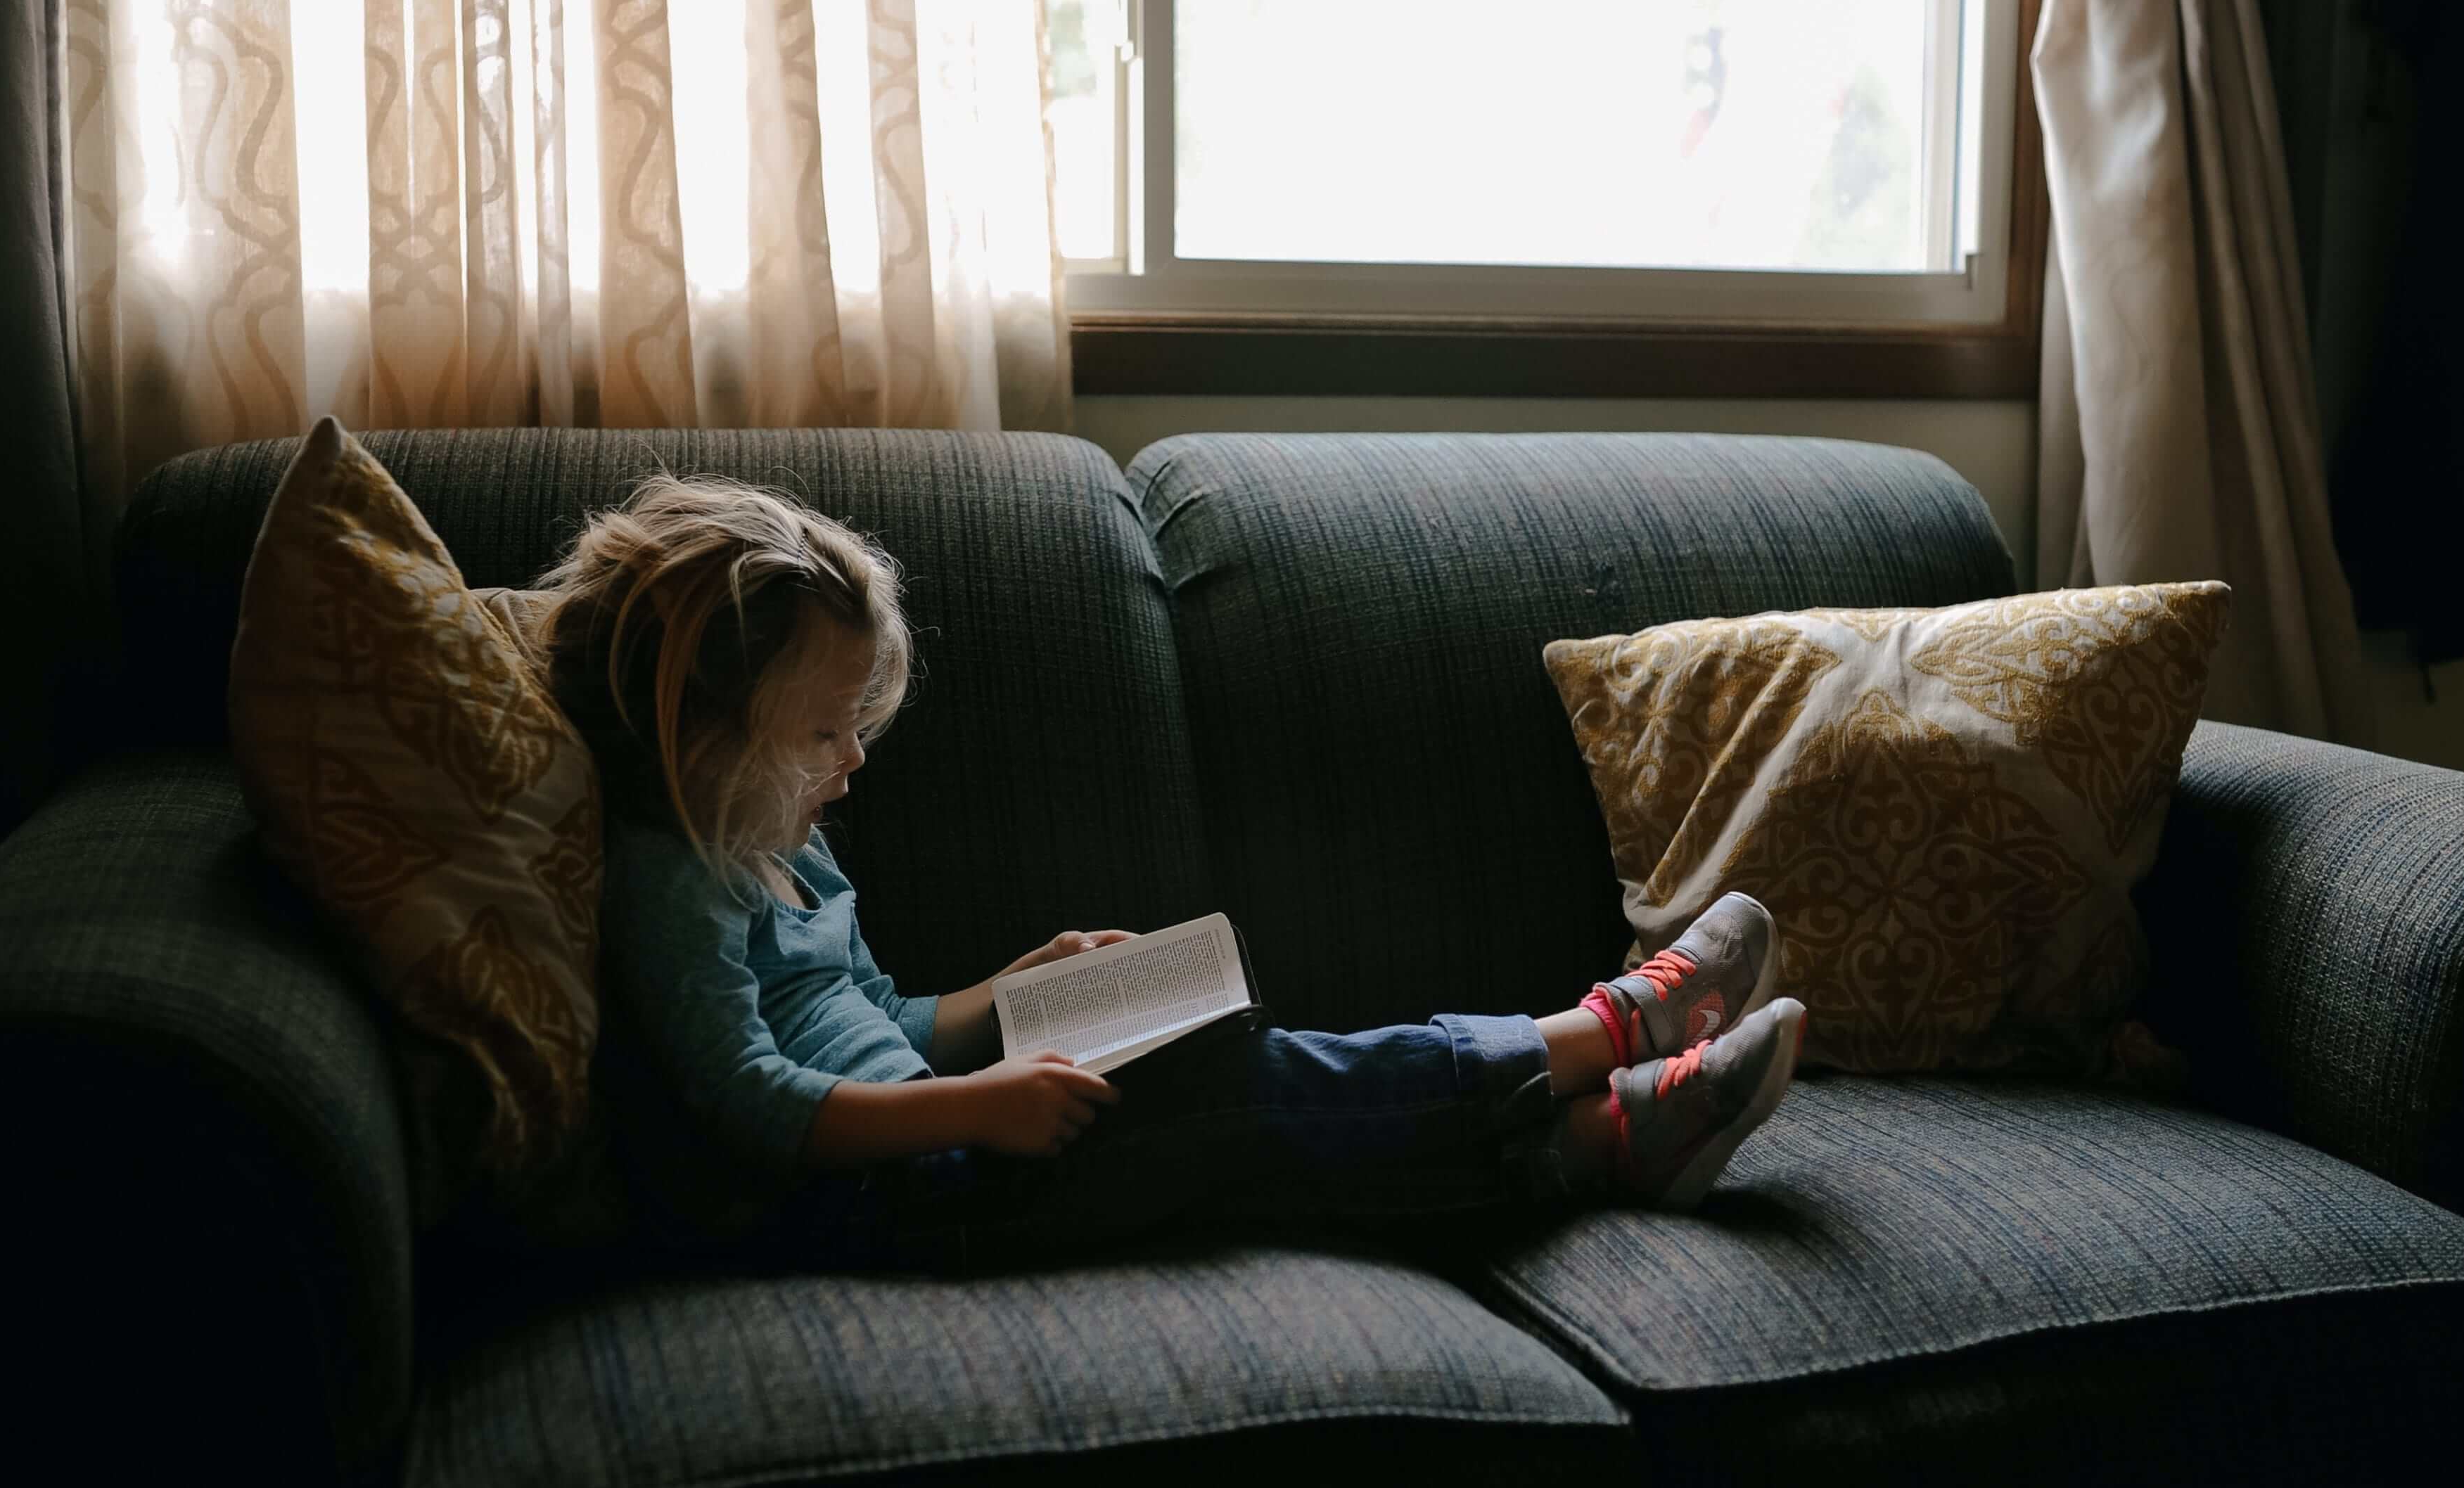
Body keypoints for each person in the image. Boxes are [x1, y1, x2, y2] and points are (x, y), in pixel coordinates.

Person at [532, 472, 1806, 1269]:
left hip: (928, 1134)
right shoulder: (673, 877)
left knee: (1225, 1078)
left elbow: (878, 1019)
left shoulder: (781, 839)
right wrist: (976, 1105)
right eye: (820, 732)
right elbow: (751, 1101)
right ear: (699, 727)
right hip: (881, 1203)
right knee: (1227, 1092)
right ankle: (1607, 1032)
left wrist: (1004, 994)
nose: (854, 759)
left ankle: (1602, 1139)